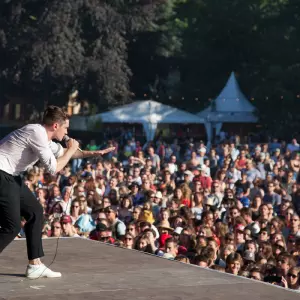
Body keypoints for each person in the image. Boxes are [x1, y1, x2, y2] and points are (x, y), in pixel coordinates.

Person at [0, 105, 114, 279]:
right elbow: (55, 168)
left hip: (11, 175)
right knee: (12, 226)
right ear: (55, 126)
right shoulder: (36, 133)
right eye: (66, 127)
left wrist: (95, 153)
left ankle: (35, 265)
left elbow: (70, 154)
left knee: (35, 212)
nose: (67, 131)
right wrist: (70, 150)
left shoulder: (45, 140)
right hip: (2, 174)